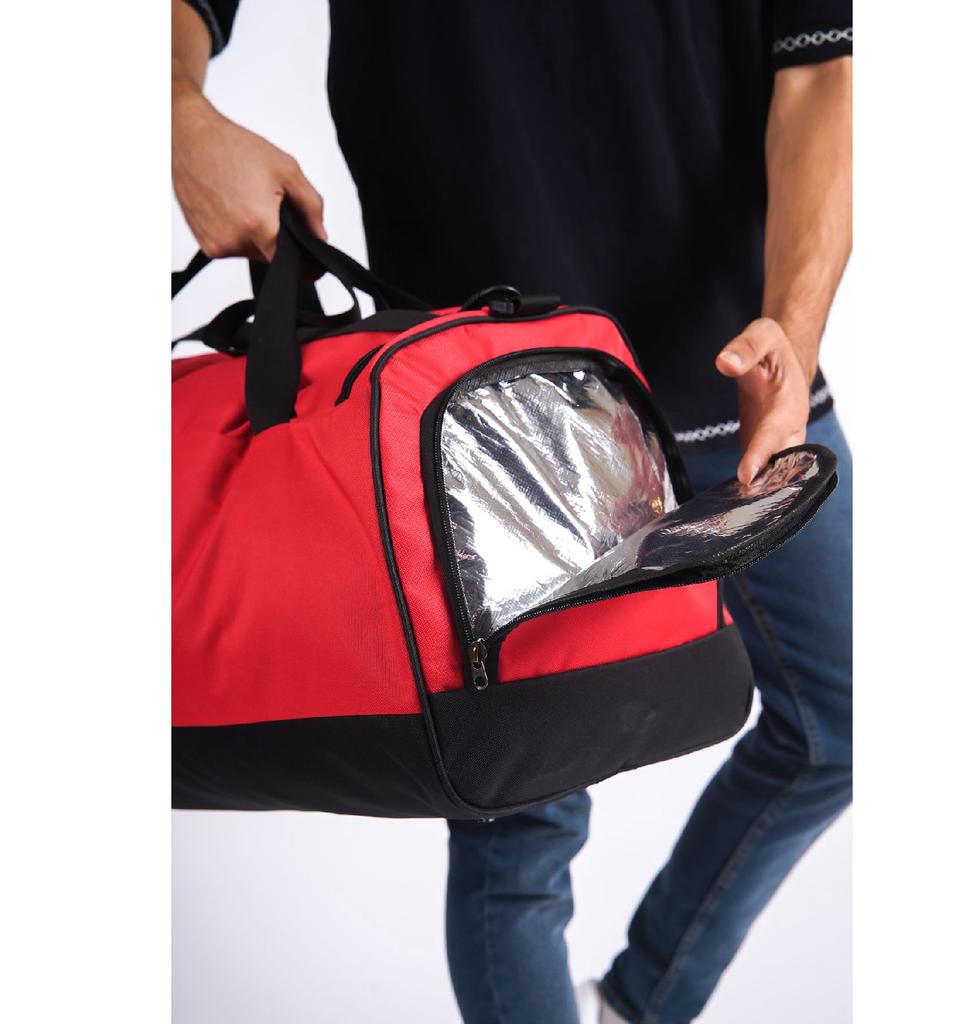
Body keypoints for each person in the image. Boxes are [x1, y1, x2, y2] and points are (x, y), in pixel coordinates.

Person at [172, 2, 852, 1020]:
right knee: (521, 824)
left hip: (747, 383)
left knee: (841, 725)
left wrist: (794, 332)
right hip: (495, 405)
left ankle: (639, 1005)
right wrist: (177, 111)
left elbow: (819, 74)